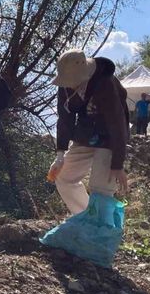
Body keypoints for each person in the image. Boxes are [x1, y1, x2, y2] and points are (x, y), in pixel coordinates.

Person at [48, 49, 129, 215]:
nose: (69, 85)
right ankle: (86, 218)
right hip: (85, 134)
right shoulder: (65, 85)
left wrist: (117, 163)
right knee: (64, 177)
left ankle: (104, 232)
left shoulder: (105, 83)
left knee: (101, 186)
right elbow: (65, 118)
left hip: (109, 138)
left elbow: (117, 123)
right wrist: (60, 156)